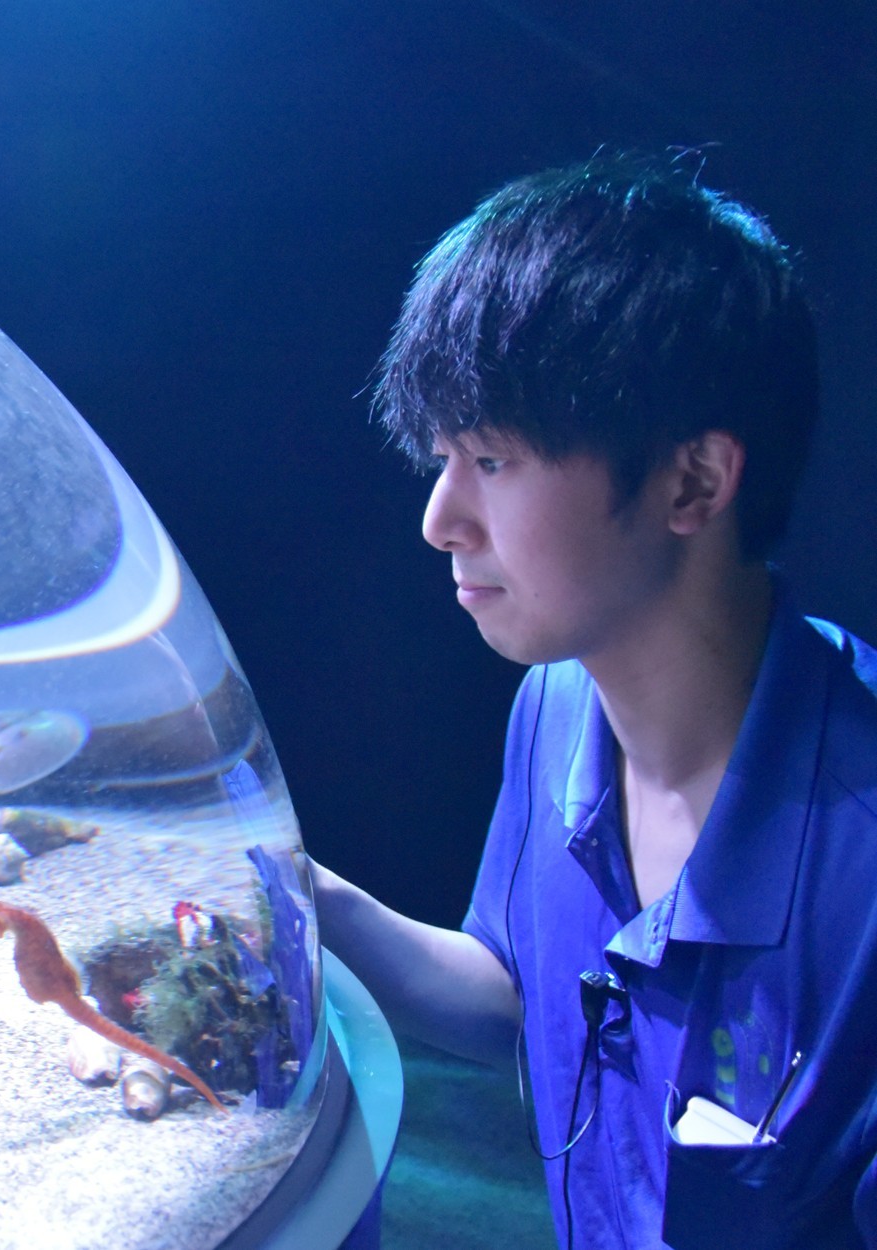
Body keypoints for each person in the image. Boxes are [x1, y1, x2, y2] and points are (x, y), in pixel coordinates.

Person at [310, 156, 877, 1249]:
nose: (438, 519)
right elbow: (525, 995)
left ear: (692, 482)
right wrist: (303, 895)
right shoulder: (555, 706)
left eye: (490, 458)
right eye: (442, 457)